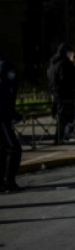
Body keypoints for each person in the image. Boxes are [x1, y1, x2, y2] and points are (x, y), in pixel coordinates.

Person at [48, 43, 75, 142]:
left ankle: (60, 137)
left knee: (61, 117)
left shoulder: (53, 63)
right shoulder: (66, 64)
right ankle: (61, 137)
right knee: (68, 116)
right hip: (66, 95)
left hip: (57, 95)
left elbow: (51, 79)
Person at [0, 57, 23, 193]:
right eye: (10, 71)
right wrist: (15, 115)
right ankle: (9, 180)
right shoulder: (2, 85)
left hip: (4, 121)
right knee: (14, 149)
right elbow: (4, 107)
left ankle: (5, 181)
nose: (13, 73)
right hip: (1, 121)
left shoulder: (8, 84)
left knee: (4, 151)